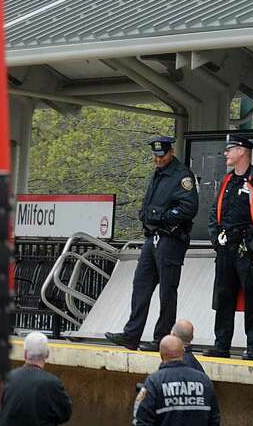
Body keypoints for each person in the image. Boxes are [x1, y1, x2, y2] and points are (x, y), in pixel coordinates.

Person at [106, 136, 199, 351]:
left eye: (162, 155)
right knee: (141, 284)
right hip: (153, 237)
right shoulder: (158, 174)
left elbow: (188, 208)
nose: (157, 159)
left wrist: (161, 217)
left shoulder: (182, 176)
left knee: (167, 291)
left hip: (171, 238)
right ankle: (132, 335)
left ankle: (162, 339)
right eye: (155, 156)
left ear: (171, 152)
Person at [205, 135, 253, 361]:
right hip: (227, 249)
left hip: (247, 249)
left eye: (229, 149)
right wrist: (216, 239)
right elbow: (213, 213)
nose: (226, 154)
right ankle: (221, 345)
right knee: (224, 296)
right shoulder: (227, 181)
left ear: (243, 151)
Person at [133, 335, 220, 426]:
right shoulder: (204, 381)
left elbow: (142, 419)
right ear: (183, 352)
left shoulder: (154, 382)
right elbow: (214, 419)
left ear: (161, 354)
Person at [0, 331, 72, 426]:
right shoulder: (53, 384)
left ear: (25, 354)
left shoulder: (8, 378)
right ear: (47, 354)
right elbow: (65, 415)